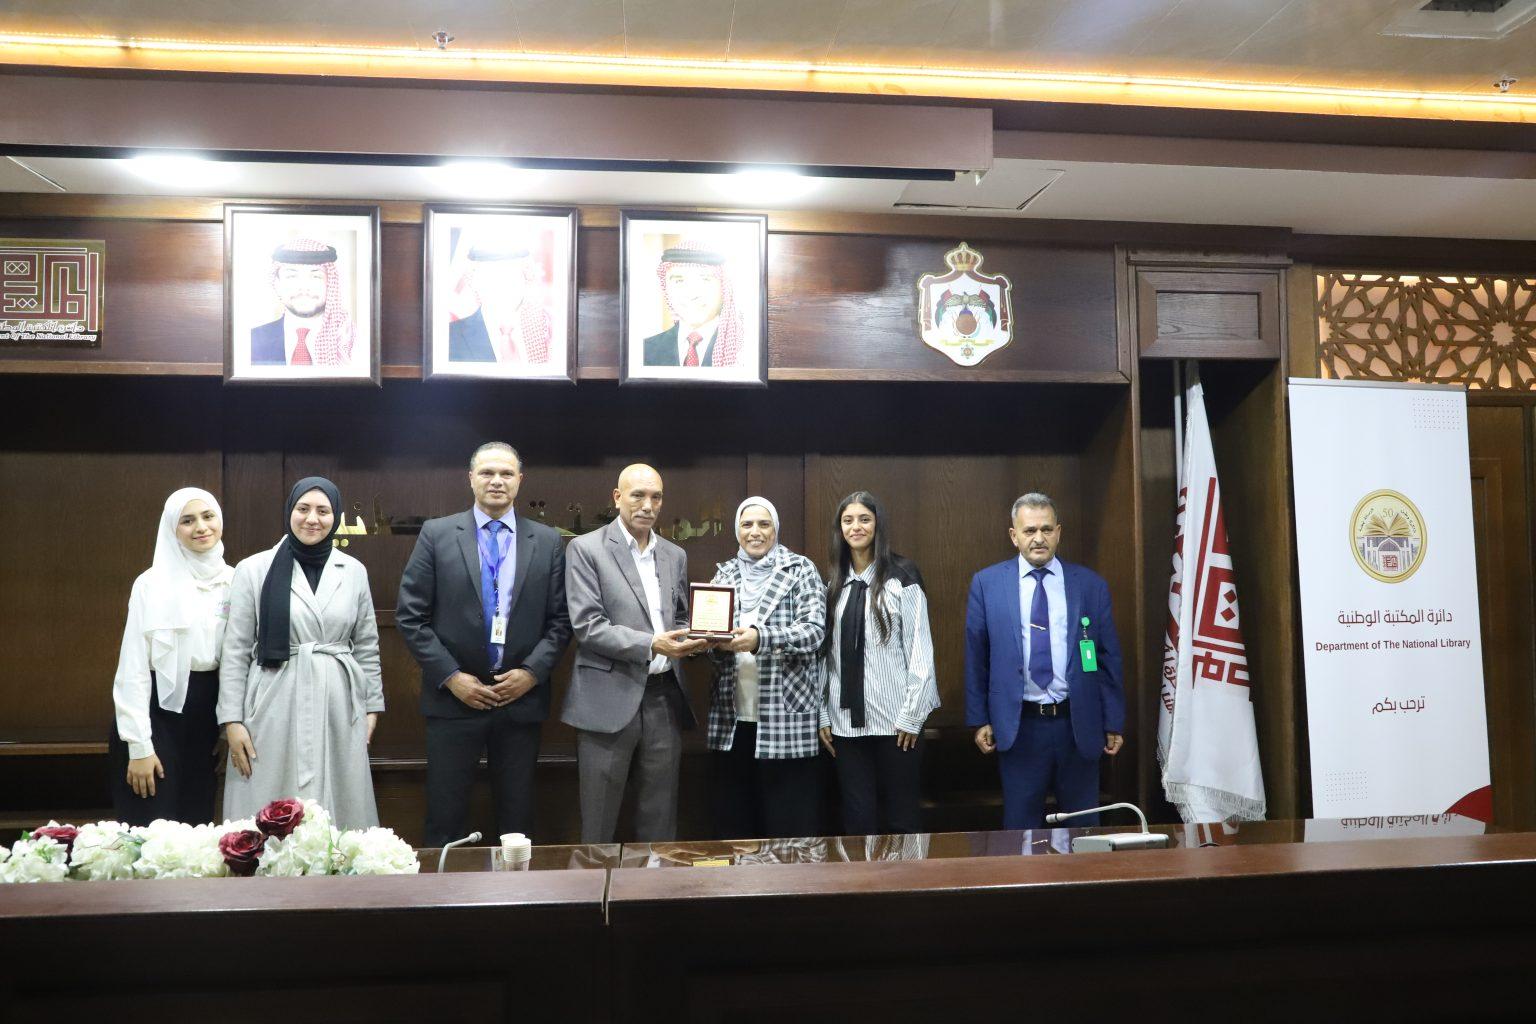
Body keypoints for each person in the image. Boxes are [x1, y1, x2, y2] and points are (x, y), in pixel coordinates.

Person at [396, 442, 572, 848]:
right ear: (471, 478)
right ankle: (444, 889)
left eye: (506, 473)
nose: (497, 481)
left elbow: (561, 620)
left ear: (519, 481)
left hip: (519, 700)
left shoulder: (547, 541)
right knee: (445, 818)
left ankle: (517, 889)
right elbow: (411, 616)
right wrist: (452, 677)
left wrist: (531, 673)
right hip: (454, 701)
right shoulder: (437, 535)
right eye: (487, 472)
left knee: (517, 822)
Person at [218, 476, 384, 830]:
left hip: (338, 699)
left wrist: (371, 707)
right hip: (272, 697)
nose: (312, 519)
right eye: (303, 509)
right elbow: (235, 650)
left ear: (335, 516)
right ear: (289, 512)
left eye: (323, 511)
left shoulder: (354, 571)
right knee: (268, 795)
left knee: (339, 805)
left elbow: (367, 645)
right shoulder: (254, 569)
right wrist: (232, 721)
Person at [562, 463, 705, 843]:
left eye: (656, 497)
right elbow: (588, 625)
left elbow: (678, 616)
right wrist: (651, 644)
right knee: (598, 822)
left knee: (660, 818)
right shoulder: (586, 549)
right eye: (638, 495)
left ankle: (655, 884)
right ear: (617, 497)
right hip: (606, 700)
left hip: (664, 697)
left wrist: (698, 636)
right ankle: (595, 885)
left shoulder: (674, 554)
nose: (647, 505)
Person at [964, 492, 1125, 830]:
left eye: (1047, 529)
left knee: (1084, 829)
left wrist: (1113, 721)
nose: (1039, 538)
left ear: (1059, 532)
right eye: (1029, 530)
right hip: (1019, 726)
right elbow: (976, 657)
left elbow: (1107, 658)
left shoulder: (1090, 585)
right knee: (1020, 831)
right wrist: (978, 719)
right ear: (1014, 535)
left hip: (1077, 725)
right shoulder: (987, 584)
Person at [108, 487, 234, 826]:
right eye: (187, 521)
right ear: (171, 528)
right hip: (155, 713)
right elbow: (133, 666)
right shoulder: (150, 584)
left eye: (208, 516)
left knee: (197, 825)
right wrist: (139, 746)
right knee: (151, 825)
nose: (201, 527)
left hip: (206, 715)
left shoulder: (234, 580)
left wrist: (227, 729)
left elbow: (237, 660)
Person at [704, 497, 827, 839]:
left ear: (776, 529)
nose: (755, 532)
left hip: (785, 719)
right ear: (737, 530)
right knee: (736, 828)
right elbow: (712, 637)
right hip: (732, 720)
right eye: (747, 525)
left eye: (764, 524)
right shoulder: (724, 574)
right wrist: (710, 644)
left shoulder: (800, 569)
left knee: (788, 828)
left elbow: (814, 631)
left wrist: (760, 638)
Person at [818, 491, 939, 836]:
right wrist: (823, 713)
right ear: (840, 529)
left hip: (897, 725)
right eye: (848, 520)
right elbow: (825, 656)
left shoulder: (902, 576)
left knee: (902, 818)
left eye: (864, 519)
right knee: (858, 820)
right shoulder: (833, 583)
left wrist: (913, 715)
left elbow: (920, 649)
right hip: (845, 726)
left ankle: (908, 874)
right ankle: (862, 874)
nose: (856, 527)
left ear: (877, 525)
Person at [250, 239, 356, 367]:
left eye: (316, 276)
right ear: (277, 284)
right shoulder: (251, 341)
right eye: (291, 276)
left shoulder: (352, 341)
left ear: (330, 283)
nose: (304, 287)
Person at [447, 243, 553, 365]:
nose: (503, 285)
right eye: (491, 275)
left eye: (511, 273)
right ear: (474, 282)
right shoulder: (450, 338)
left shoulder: (548, 331)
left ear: (526, 278)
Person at [642, 243, 741, 368]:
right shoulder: (644, 351)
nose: (692, 295)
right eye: (679, 281)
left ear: (723, 288)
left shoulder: (744, 351)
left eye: (705, 279)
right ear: (666, 289)